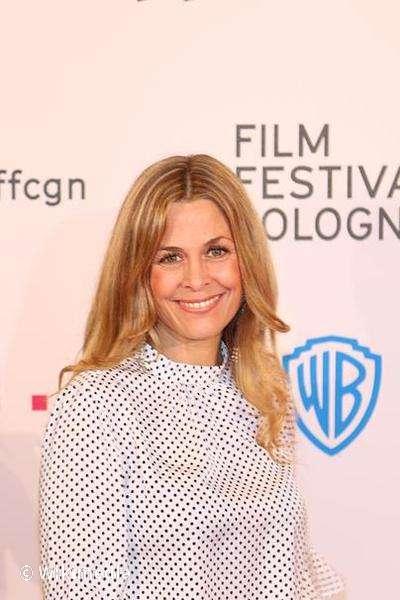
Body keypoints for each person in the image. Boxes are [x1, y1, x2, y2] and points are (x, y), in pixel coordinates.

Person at [39, 154, 347, 599]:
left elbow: (289, 569)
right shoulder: (96, 406)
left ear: (246, 260)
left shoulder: (265, 391)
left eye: (216, 251)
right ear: (137, 273)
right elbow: (82, 589)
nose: (197, 279)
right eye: (170, 258)